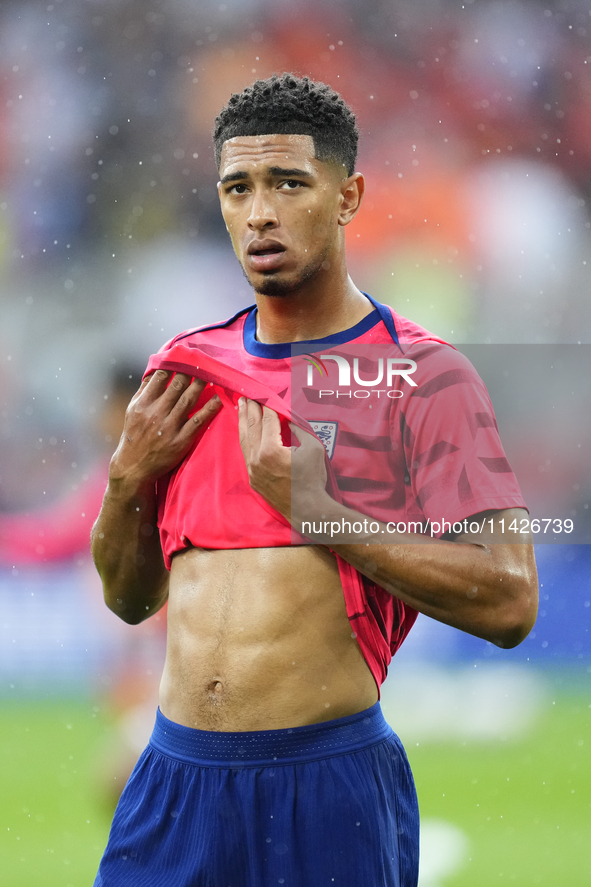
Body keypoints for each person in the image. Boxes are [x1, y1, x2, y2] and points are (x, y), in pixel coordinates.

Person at [92, 74, 538, 887]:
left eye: (287, 183)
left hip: (326, 784)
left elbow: (510, 598)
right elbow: (128, 598)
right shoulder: (184, 371)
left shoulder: (424, 378)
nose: (259, 211)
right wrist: (127, 476)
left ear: (347, 195)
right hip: (171, 781)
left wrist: (323, 512)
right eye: (238, 188)